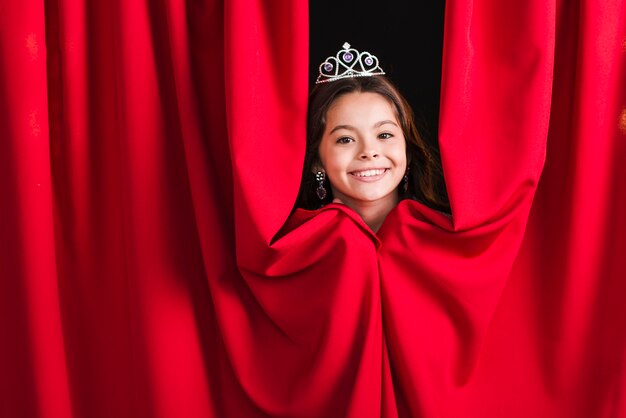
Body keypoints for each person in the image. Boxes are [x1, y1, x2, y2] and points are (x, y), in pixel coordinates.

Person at [294, 42, 449, 232]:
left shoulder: (447, 239)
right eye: (346, 139)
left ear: (407, 150)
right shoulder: (295, 250)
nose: (368, 151)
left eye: (384, 135)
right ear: (316, 161)